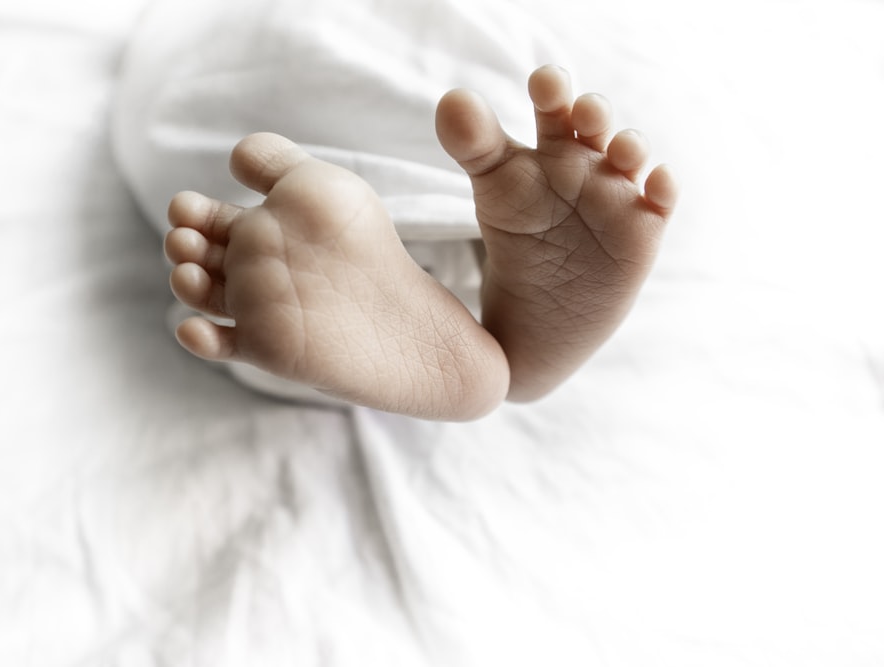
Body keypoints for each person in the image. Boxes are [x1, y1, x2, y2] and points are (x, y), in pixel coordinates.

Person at [162, 64, 678, 421]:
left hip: (238, 94)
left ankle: (456, 325)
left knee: (227, 240)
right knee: (496, 156)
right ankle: (501, 322)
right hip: (438, 122)